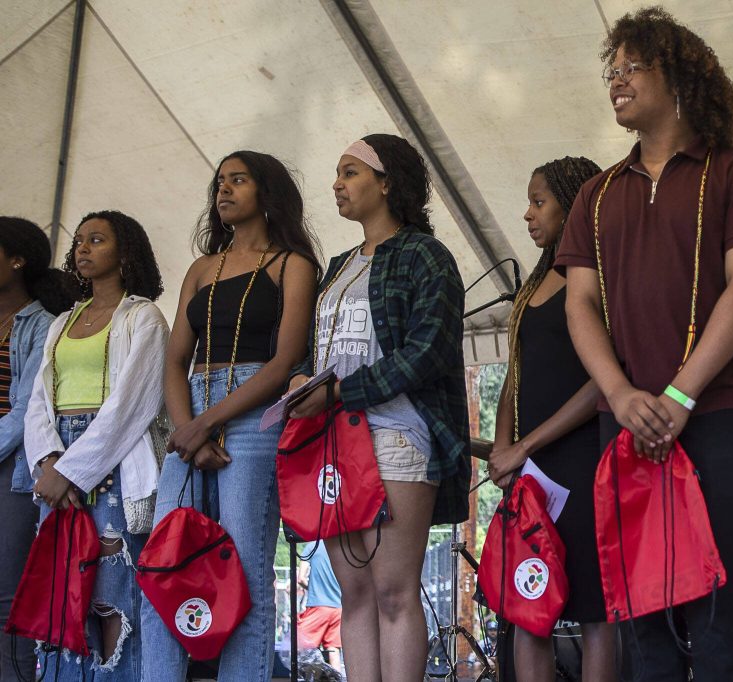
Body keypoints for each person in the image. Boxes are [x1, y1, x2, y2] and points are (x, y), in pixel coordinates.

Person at [556, 7, 733, 680]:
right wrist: (621, 394)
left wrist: (681, 394)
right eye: (612, 71)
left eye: (633, 67)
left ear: (680, 76)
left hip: (713, 411)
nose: (618, 81)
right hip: (623, 418)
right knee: (639, 603)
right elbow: (579, 304)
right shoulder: (595, 196)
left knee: (716, 599)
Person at [288, 133, 470, 681]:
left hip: (396, 434)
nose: (337, 184)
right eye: (338, 173)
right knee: (354, 593)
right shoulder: (339, 265)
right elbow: (315, 347)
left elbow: (429, 351)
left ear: (387, 182)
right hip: (333, 442)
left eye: (350, 172)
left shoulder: (424, 256)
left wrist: (340, 393)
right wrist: (302, 375)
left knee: (393, 591)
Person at [143, 151, 320, 682]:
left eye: (238, 180)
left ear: (266, 193)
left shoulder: (294, 265)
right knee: (164, 562)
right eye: (220, 181)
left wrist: (204, 423)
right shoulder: (201, 269)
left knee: (242, 569)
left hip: (254, 410)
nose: (224, 190)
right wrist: (188, 428)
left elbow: (286, 361)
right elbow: (175, 361)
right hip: (192, 408)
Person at [486, 155, 616, 682]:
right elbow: (514, 378)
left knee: (593, 611)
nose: (527, 214)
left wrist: (526, 444)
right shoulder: (533, 283)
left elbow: (601, 384)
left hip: (583, 462)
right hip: (531, 471)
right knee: (527, 605)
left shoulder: (598, 280)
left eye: (539, 201)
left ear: (574, 204)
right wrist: (503, 446)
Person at [24, 210, 168, 680]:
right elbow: (39, 400)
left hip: (114, 460)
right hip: (58, 457)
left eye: (97, 240)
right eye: (80, 241)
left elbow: (133, 405)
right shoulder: (63, 321)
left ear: (125, 253)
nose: (83, 248)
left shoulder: (142, 316)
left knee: (109, 593)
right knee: (61, 586)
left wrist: (70, 471)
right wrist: (47, 460)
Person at [0, 217, 77, 679]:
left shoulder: (41, 326)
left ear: (17, 260)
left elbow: (25, 412)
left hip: (11, 469)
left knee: (7, 592)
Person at [297, 542, 343, 672]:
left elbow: (301, 578)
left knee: (297, 643)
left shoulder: (312, 546)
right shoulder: (340, 545)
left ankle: (315, 676)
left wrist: (312, 588)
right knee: (333, 650)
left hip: (318, 605)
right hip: (339, 607)